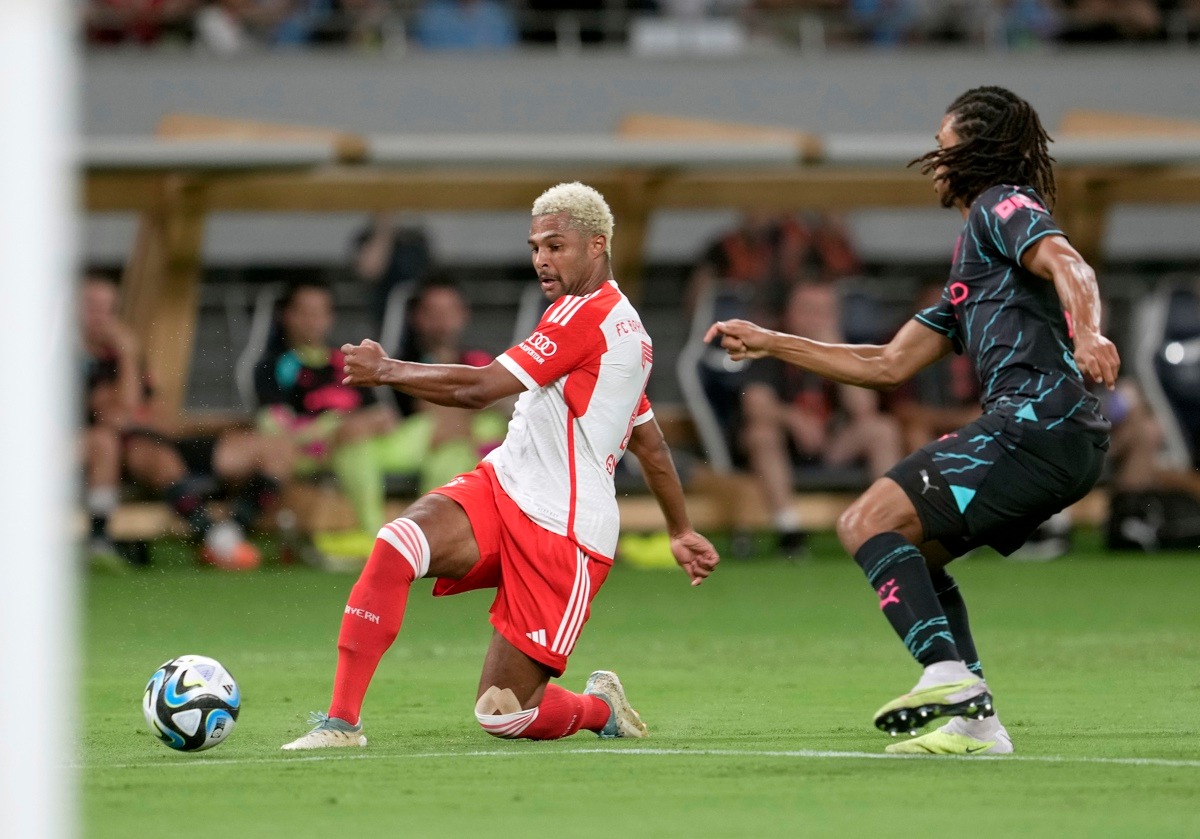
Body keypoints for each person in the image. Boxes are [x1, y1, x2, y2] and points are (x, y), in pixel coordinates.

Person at [706, 86, 1120, 756]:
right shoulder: (973, 265)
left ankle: (948, 674)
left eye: (944, 143)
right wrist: (771, 340)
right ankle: (978, 724)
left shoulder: (1002, 205)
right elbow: (888, 362)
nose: (933, 158)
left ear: (976, 153)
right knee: (915, 554)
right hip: (1058, 439)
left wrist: (1089, 334)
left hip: (1038, 423)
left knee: (864, 520)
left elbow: (1072, 263)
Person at [281, 182, 719, 750]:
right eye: (535, 245)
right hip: (503, 488)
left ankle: (597, 708)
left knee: (503, 715)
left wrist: (386, 369)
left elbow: (482, 389)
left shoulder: (594, 319)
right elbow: (650, 444)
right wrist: (680, 529)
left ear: (597, 246)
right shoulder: (602, 323)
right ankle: (342, 724)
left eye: (556, 245)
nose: (541, 258)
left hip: (564, 532)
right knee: (397, 544)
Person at [255, 280, 504, 559]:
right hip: (318, 452)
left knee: (449, 444)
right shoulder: (275, 365)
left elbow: (381, 415)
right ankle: (379, 536)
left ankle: (429, 537)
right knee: (384, 439)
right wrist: (335, 427)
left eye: (320, 312)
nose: (313, 320)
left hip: (433, 446)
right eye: (305, 311)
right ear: (287, 315)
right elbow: (274, 430)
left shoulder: (344, 361)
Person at [81, 274, 289, 570]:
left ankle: (228, 534)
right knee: (158, 458)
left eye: (108, 308)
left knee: (273, 449)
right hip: (122, 451)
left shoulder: (120, 354)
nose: (101, 317)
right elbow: (122, 416)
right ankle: (217, 541)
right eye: (91, 307)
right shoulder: (74, 357)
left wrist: (214, 425)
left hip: (158, 437)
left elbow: (159, 411)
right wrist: (128, 353)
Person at [740, 282, 902, 556]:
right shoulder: (770, 348)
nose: (817, 319)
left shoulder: (846, 350)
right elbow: (755, 406)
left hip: (831, 445)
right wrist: (791, 417)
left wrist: (837, 352)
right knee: (760, 433)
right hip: (783, 449)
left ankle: (888, 528)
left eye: (825, 312)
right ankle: (789, 530)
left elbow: (865, 409)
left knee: (882, 429)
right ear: (789, 314)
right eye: (808, 310)